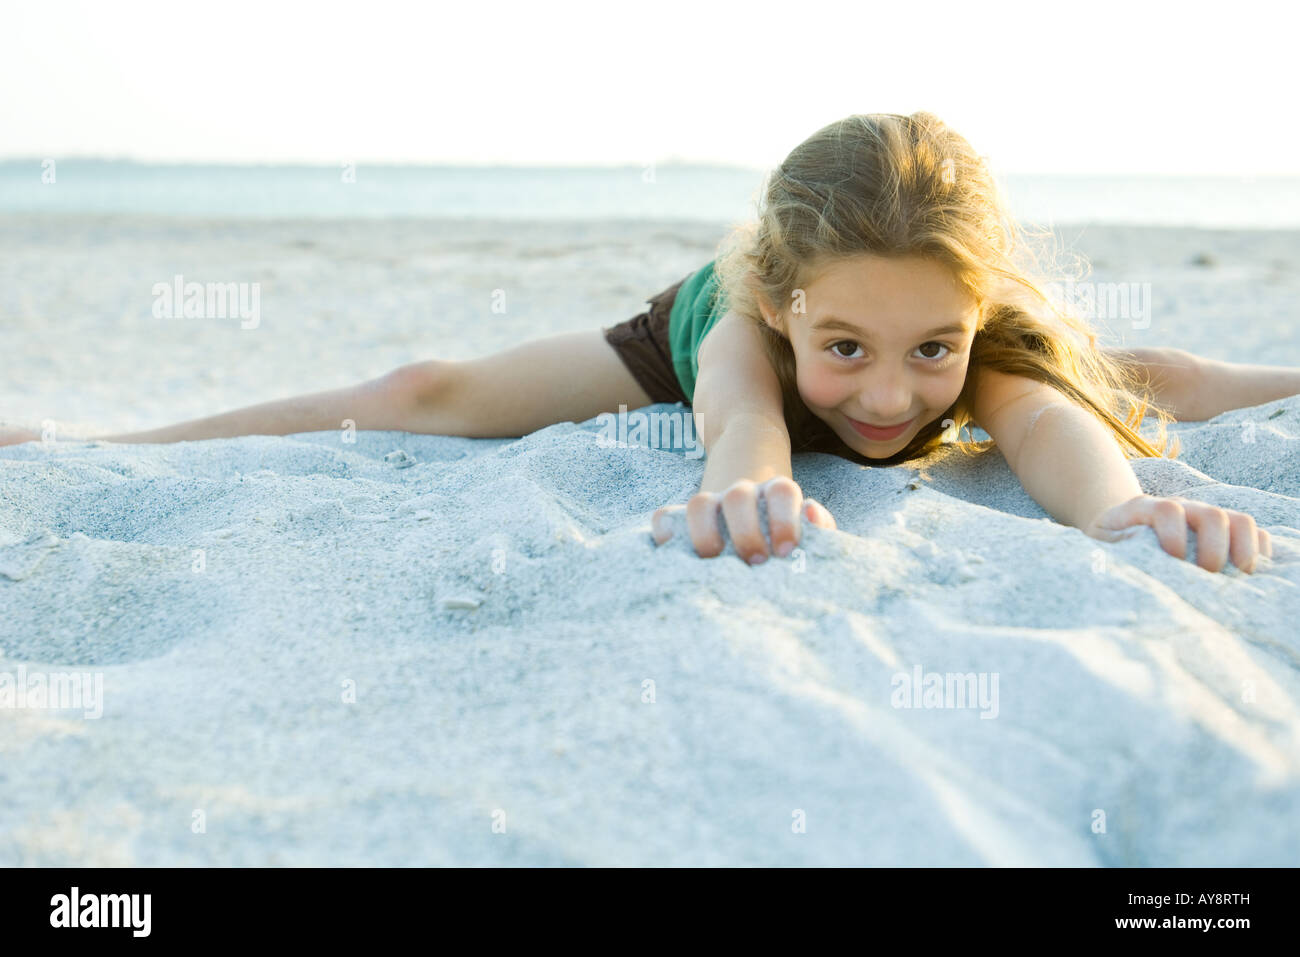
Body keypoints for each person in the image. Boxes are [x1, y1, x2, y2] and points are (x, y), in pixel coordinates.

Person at [4, 113, 1295, 573]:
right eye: (846, 347)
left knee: (1154, 380)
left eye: (931, 351)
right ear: (791, 304)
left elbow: (1044, 427)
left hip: (951, 309)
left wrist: (1124, 514)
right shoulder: (743, 322)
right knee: (418, 385)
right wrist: (751, 478)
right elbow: (741, 426)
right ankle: (93, 434)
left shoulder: (967, 327)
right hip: (688, 336)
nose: (894, 396)